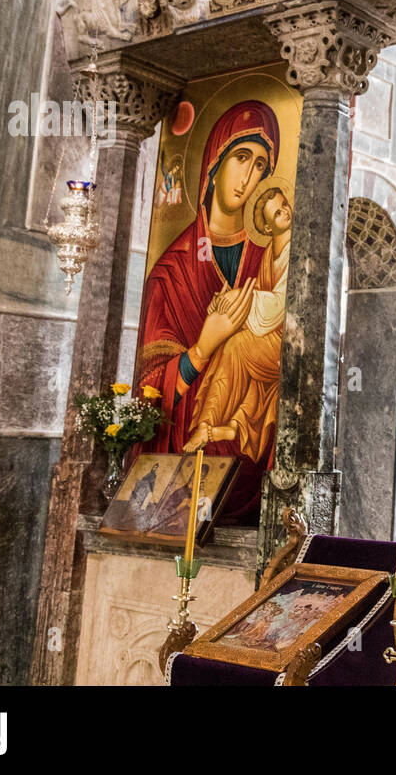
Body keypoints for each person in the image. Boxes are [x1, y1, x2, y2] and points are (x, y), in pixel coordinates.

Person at [134, 100, 281, 521]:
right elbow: (149, 389)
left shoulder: (267, 261)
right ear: (215, 161)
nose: (249, 177)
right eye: (241, 158)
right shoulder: (171, 270)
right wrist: (202, 348)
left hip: (243, 464)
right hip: (181, 468)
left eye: (260, 167)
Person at [185, 179, 302, 460]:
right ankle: (222, 427)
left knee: (235, 346)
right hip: (269, 339)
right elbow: (262, 302)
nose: (285, 212)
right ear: (266, 227)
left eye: (284, 206)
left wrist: (243, 299)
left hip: (290, 344)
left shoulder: (296, 250)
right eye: (277, 213)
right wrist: (229, 302)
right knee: (234, 350)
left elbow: (282, 303)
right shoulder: (267, 255)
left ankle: (208, 424)